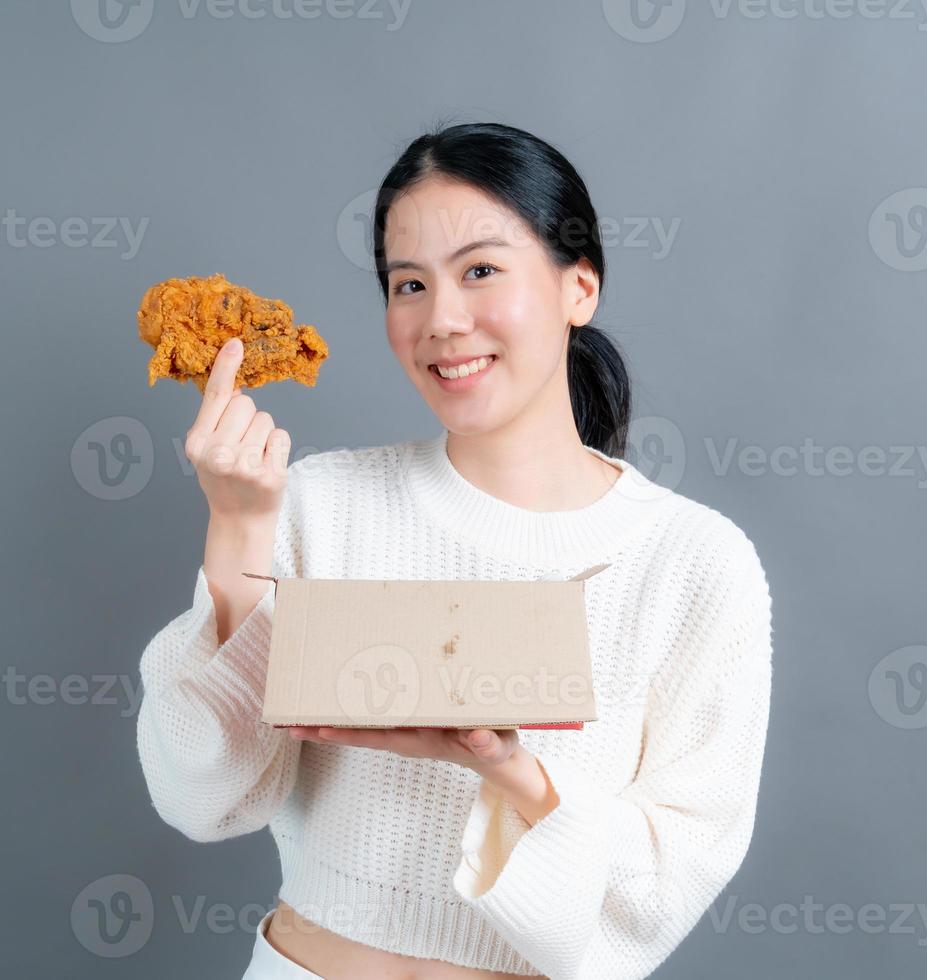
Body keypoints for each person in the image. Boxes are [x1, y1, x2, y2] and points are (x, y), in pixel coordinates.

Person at [135, 121, 774, 980]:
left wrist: (511, 767)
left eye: (480, 271)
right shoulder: (318, 506)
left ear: (578, 286)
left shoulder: (692, 563)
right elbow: (203, 799)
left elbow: (672, 876)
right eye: (408, 284)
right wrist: (239, 530)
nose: (441, 320)